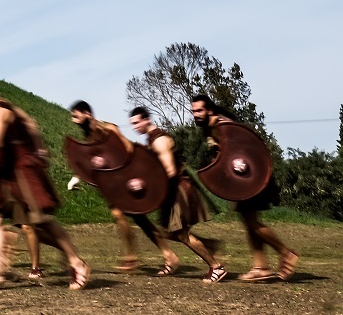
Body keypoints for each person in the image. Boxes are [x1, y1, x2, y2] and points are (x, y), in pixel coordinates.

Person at [0, 70, 89, 289]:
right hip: (5, 172)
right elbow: (31, 124)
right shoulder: (8, 105)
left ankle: (76, 262)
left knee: (42, 221)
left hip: (19, 172)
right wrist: (40, 150)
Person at [191, 94, 298, 282]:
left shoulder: (222, 125)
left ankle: (286, 253)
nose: (196, 114)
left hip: (251, 177)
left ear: (209, 110)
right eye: (193, 111)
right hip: (243, 179)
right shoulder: (212, 127)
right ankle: (260, 267)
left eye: (199, 110)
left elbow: (242, 151)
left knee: (253, 223)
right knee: (249, 222)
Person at [68, 100, 177, 272]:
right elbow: (90, 161)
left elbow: (128, 149)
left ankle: (138, 256)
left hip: (124, 178)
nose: (74, 120)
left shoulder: (108, 129)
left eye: (76, 116)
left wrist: (128, 176)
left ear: (87, 114)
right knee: (137, 218)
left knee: (128, 216)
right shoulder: (89, 136)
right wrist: (77, 177)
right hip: (112, 182)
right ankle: (161, 254)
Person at [129, 106, 227, 283]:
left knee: (182, 234)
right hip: (171, 190)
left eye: (136, 122)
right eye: (132, 124)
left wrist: (147, 185)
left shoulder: (159, 141)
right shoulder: (151, 140)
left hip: (178, 189)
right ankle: (208, 245)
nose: (134, 127)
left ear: (146, 120)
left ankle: (216, 267)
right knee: (167, 232)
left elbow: (170, 171)